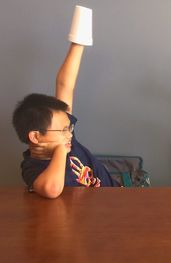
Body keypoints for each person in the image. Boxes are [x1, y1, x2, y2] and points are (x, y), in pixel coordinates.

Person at [12, 43, 119, 199]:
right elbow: (52, 190)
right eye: (63, 131)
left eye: (69, 128)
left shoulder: (65, 135)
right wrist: (61, 151)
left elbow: (65, 85)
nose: (70, 134)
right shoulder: (32, 167)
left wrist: (78, 42)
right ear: (35, 136)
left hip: (117, 196)